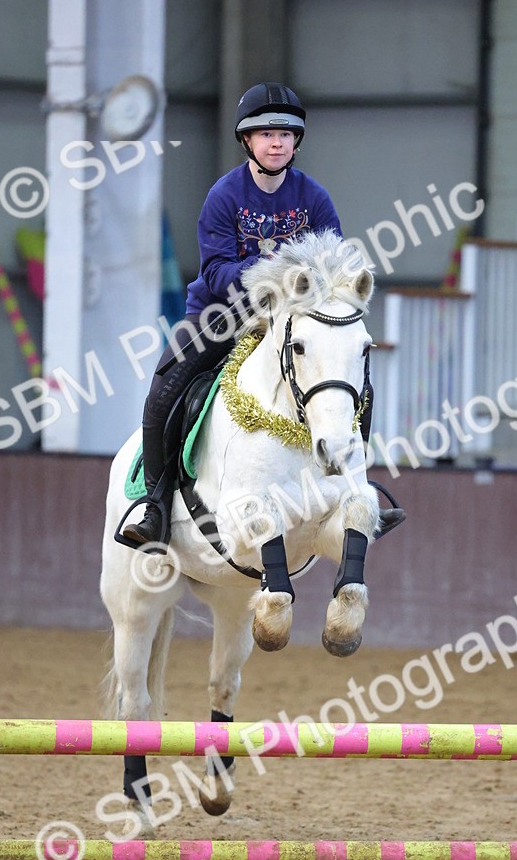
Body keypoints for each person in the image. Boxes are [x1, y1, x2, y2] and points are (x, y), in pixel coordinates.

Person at [123, 81, 401, 548]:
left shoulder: (315, 198)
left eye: (286, 135)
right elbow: (215, 272)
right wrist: (277, 275)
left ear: (296, 142)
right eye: (267, 134)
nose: (277, 143)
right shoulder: (224, 195)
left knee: (358, 384)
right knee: (162, 394)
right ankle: (155, 503)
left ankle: (356, 487)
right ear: (247, 140)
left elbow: (333, 269)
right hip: (221, 314)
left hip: (295, 320)